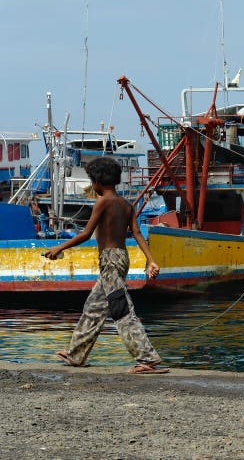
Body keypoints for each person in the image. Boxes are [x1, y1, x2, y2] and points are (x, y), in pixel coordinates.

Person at [45, 157, 168, 374]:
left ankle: (147, 359)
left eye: (92, 181)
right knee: (93, 308)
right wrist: (151, 259)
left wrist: (59, 248)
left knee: (121, 309)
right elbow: (138, 234)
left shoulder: (103, 202)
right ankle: (76, 354)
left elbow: (85, 233)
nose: (92, 185)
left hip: (110, 260)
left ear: (98, 181)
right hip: (120, 258)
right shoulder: (126, 205)